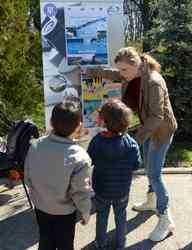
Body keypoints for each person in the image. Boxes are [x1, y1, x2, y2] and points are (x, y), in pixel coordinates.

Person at [87, 47, 177, 242]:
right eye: (120, 70)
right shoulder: (131, 74)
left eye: (124, 70)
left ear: (136, 65)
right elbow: (111, 73)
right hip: (148, 127)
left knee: (154, 174)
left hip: (160, 131)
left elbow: (157, 117)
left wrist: (133, 141)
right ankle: (152, 201)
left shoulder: (154, 82)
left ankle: (165, 219)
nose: (121, 75)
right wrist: (89, 71)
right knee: (150, 170)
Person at [24, 101, 92, 250]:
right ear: (78, 126)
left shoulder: (35, 145)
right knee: (65, 244)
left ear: (51, 122)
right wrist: (85, 211)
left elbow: (28, 176)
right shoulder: (80, 156)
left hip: (41, 207)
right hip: (65, 213)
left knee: (45, 239)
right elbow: (81, 191)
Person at [88, 99, 141, 250]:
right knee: (121, 216)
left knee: (102, 216)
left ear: (105, 121)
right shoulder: (131, 143)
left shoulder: (97, 141)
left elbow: (88, 161)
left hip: (102, 189)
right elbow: (136, 165)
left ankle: (101, 242)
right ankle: (120, 243)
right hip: (122, 190)